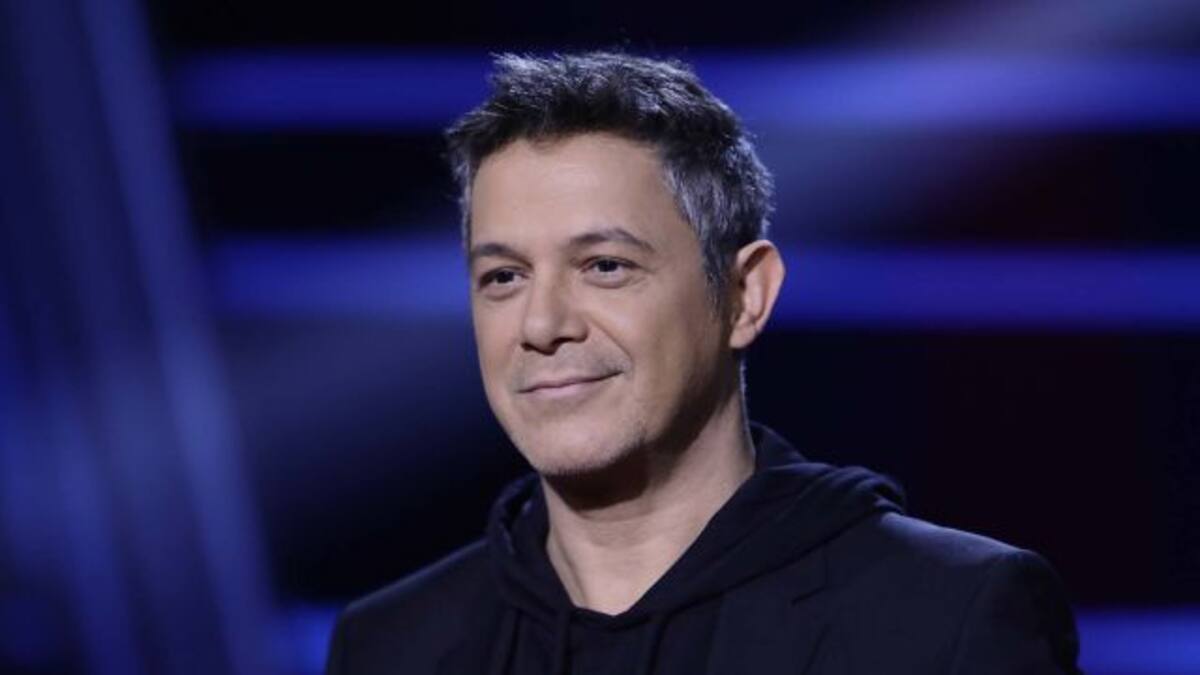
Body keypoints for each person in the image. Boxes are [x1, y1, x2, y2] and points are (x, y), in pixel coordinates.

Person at [324, 51, 1082, 674]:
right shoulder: (391, 647)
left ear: (746, 295)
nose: (542, 325)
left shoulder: (945, 618)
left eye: (605, 266)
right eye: (503, 277)